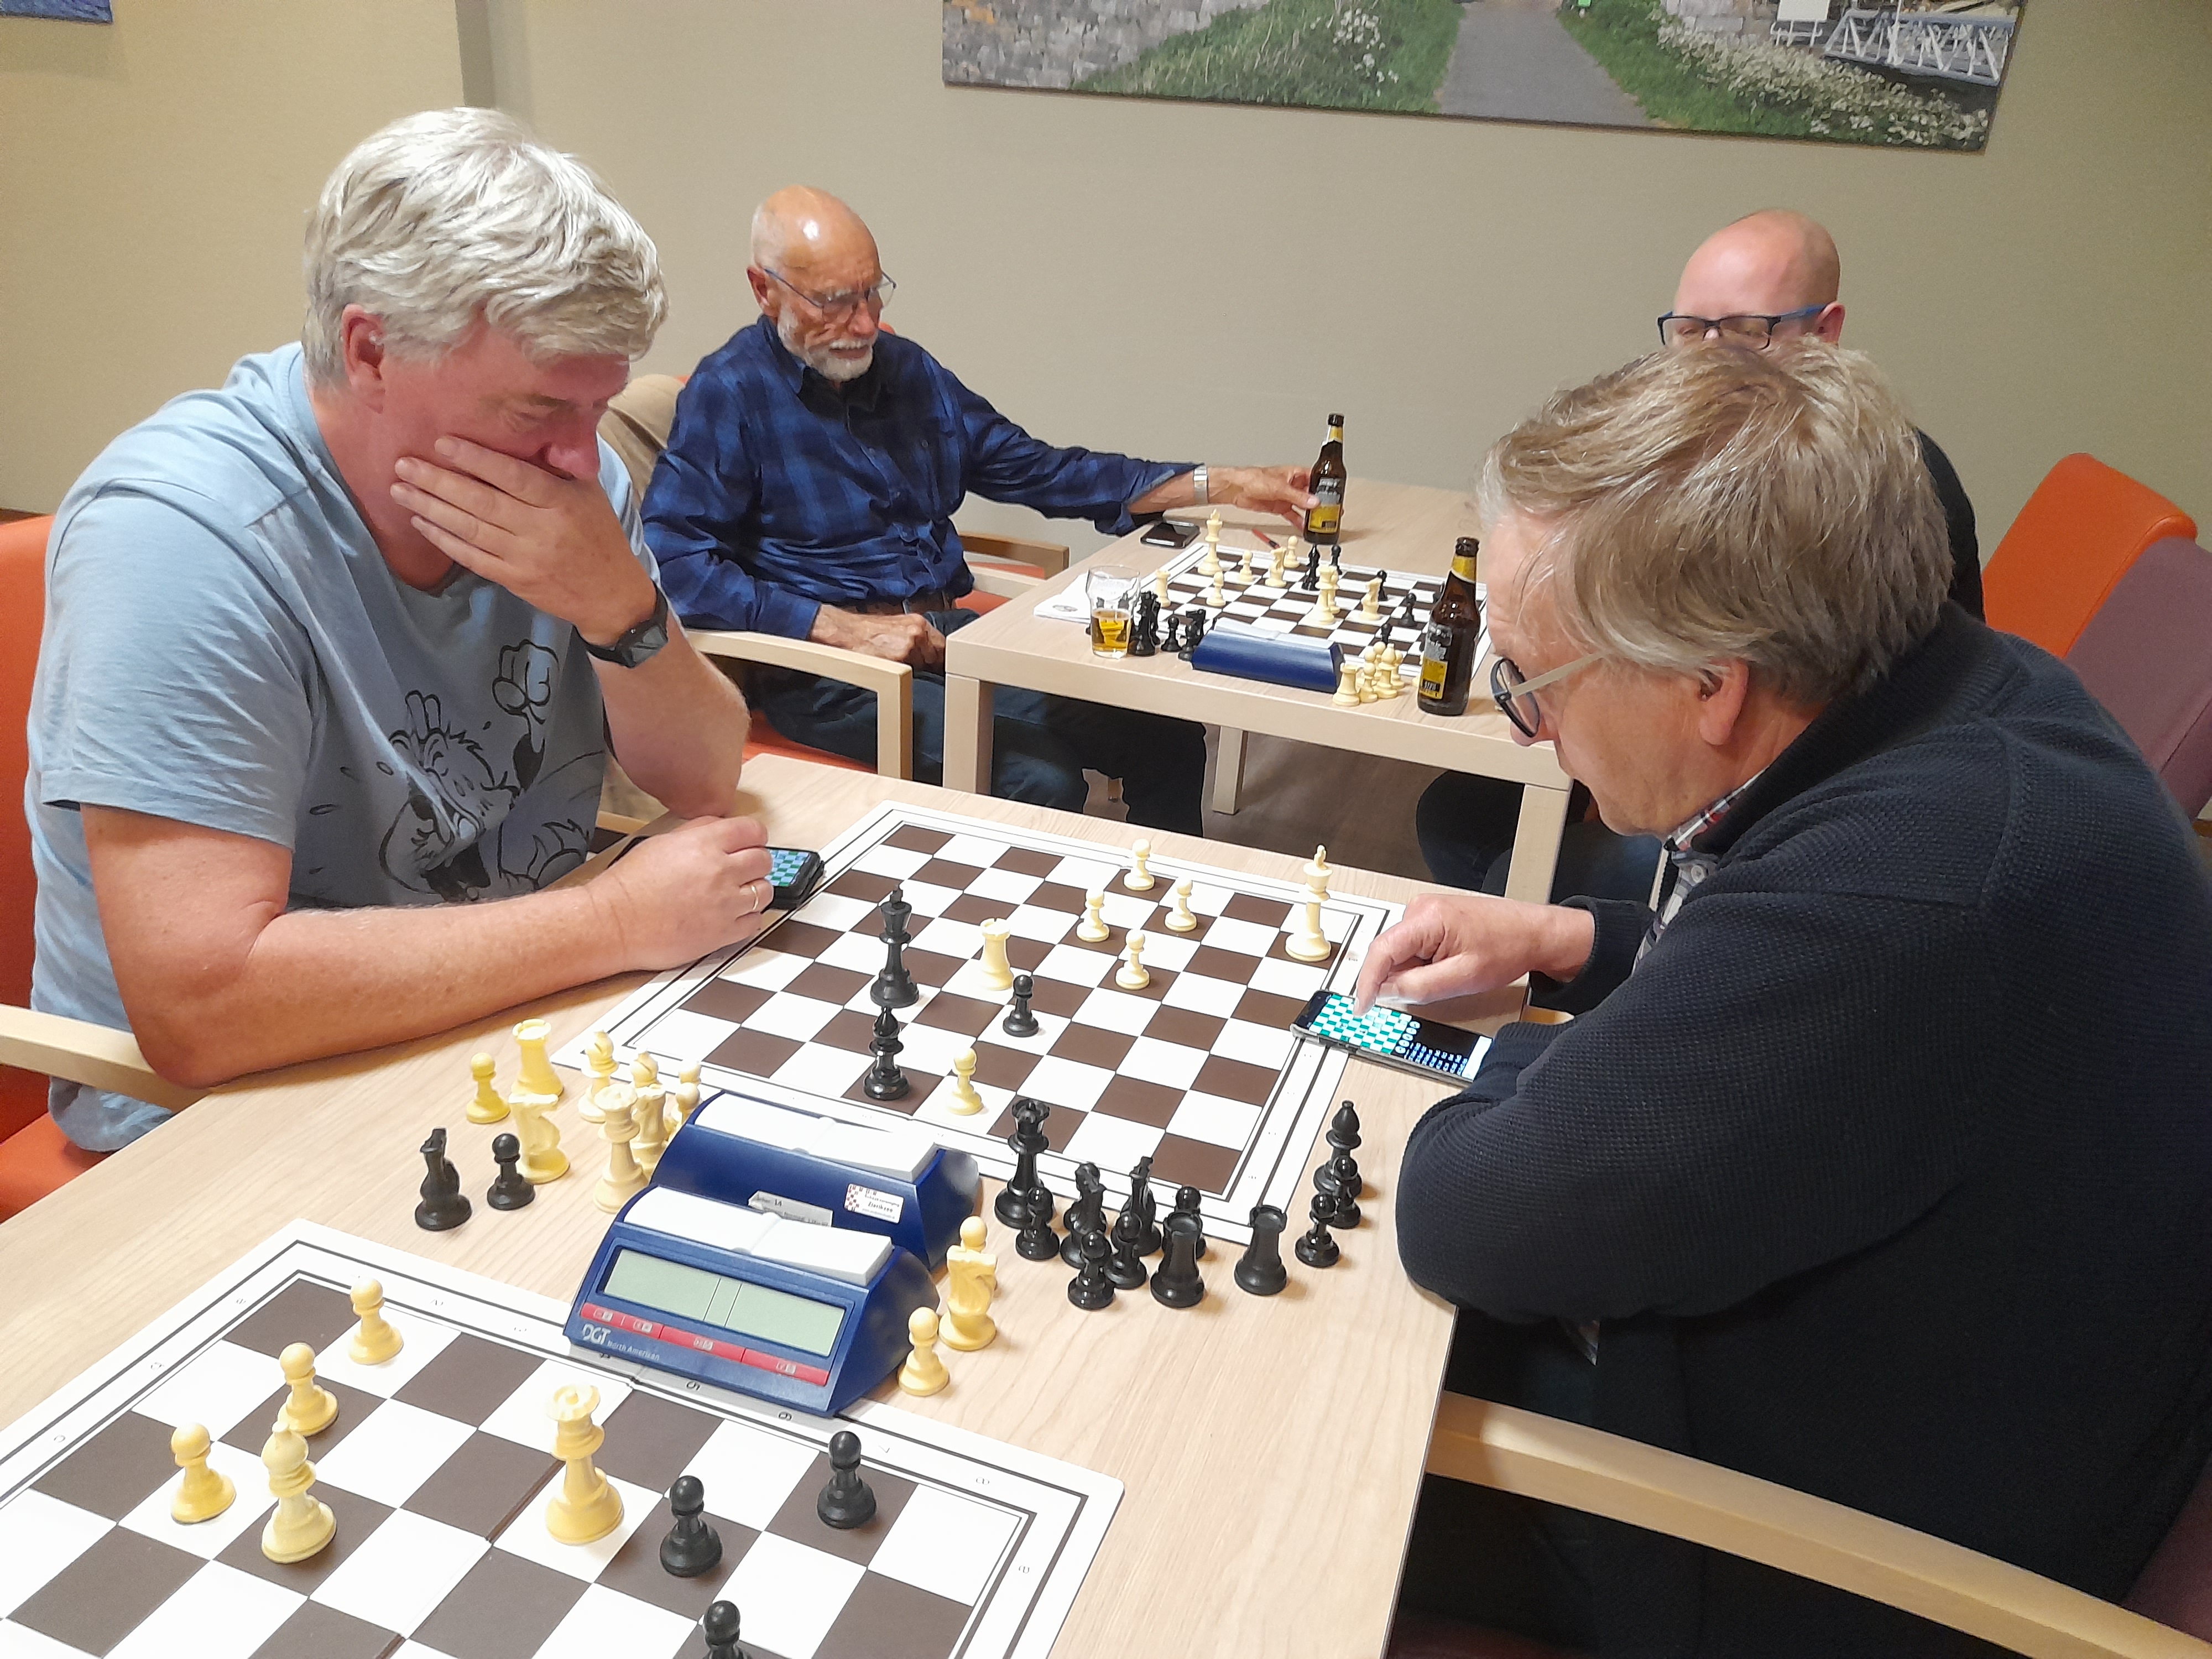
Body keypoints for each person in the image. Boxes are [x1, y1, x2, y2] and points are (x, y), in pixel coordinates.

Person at [1364, 343, 2212, 1655]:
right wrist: (1574, 937)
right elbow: (1800, 989)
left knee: (1283, 1427)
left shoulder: (1904, 903)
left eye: (1532, 683)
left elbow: (1470, 1215)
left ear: (1709, 685)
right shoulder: (1972, 690)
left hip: (1847, 1560)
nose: (1531, 731)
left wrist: (1428, 1068)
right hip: (1947, 1386)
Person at [28, 109, 775, 1151]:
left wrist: (624, 611)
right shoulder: (178, 541)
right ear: (371, 351)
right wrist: (612, 922)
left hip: (493, 1014)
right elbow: (204, 1008)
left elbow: (700, 778)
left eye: (596, 408)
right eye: (538, 411)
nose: (581, 458)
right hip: (222, 1111)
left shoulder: (570, 481)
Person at [643, 186, 1314, 836]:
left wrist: (1216, 484)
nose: (866, 323)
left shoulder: (907, 371)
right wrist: (843, 629)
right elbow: (673, 562)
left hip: (950, 637)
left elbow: (1043, 470)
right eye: (835, 302)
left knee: (1163, 735)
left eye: (872, 292)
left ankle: (1157, 900)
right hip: (830, 673)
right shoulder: (729, 393)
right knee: (1041, 780)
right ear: (764, 291)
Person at [1415, 207, 1981, 900]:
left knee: (1509, 859)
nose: (1710, 358)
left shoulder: (1864, 490)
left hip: (1820, 813)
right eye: (1690, 332)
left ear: (1824, 333)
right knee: (1460, 816)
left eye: (1745, 331)